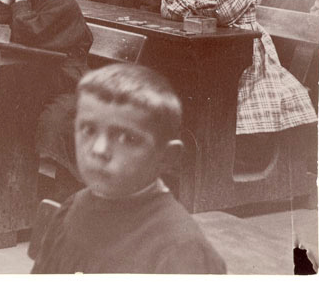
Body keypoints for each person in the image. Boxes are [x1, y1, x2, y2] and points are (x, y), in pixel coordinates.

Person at [31, 64, 227, 274]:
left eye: (127, 138)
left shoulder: (182, 252)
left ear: (167, 157)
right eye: (88, 129)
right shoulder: (73, 207)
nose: (99, 149)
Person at [160, 0, 316, 154]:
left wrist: (187, 4)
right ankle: (196, 150)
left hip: (242, 56)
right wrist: (196, 6)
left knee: (231, 101)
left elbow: (220, 14)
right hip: (207, 51)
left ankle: (225, 153)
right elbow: (168, 9)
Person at [0, 0, 93, 179]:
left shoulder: (63, 5)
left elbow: (28, 36)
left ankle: (23, 180)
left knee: (24, 115)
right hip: (39, 76)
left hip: (64, 82)